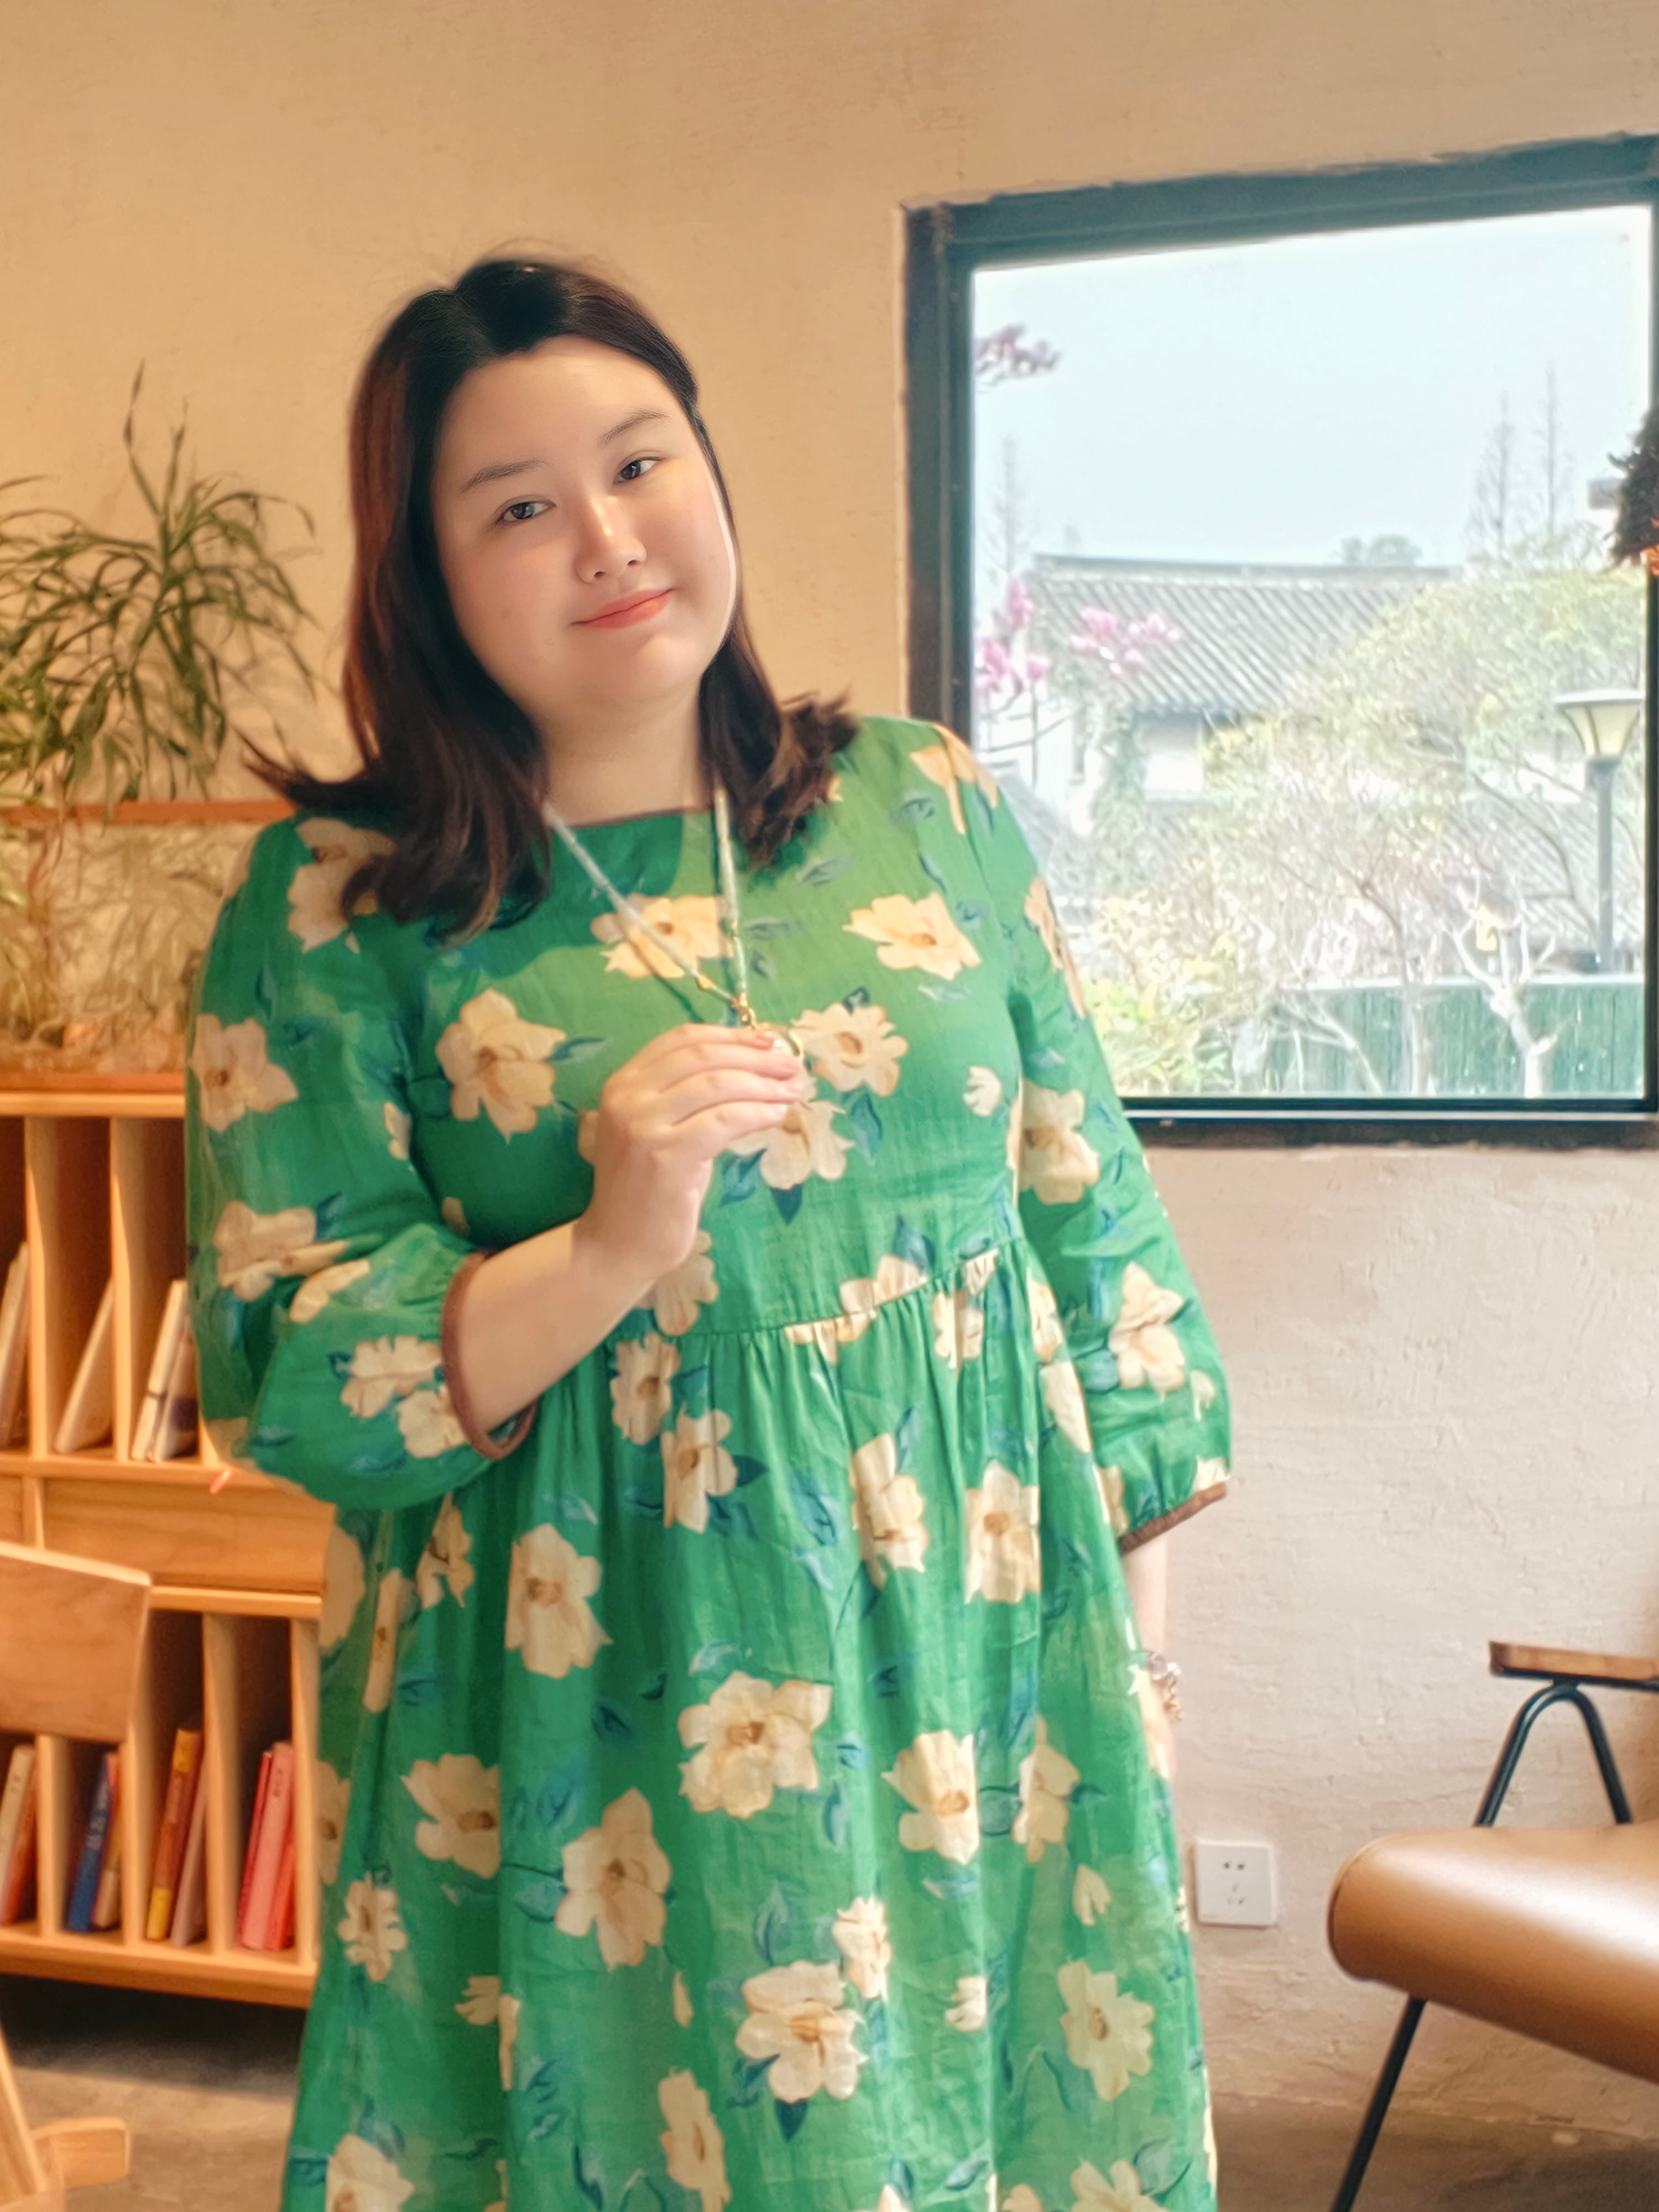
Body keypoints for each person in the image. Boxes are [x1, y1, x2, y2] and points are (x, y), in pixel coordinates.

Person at [185, 256, 1232, 2212]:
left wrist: (1139, 1700)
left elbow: (1105, 1274)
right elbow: (300, 1370)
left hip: (993, 1681)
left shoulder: (924, 803)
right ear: (427, 577)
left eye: (639, 461)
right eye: (518, 506)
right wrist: (603, 1249)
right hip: (594, 1719)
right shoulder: (337, 908)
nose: (606, 538)